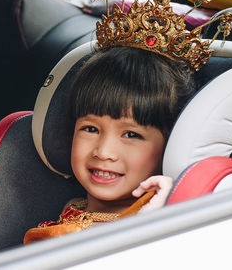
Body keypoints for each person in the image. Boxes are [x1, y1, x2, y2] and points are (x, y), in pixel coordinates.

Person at [23, 46, 199, 244]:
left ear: (170, 145)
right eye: (90, 129)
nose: (104, 152)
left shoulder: (156, 228)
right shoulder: (74, 207)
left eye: (131, 134)